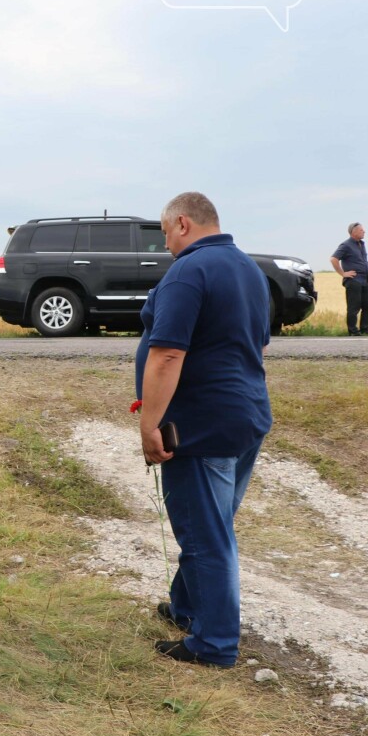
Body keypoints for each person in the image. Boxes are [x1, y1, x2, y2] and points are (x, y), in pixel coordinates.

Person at [137, 192, 271, 669]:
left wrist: (150, 423)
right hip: (246, 416)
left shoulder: (188, 271)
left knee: (206, 536)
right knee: (212, 523)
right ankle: (186, 607)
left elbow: (167, 354)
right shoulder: (247, 269)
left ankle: (213, 644)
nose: (166, 242)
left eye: (165, 232)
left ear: (182, 223)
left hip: (200, 426)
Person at [330, 222, 368, 335]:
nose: (364, 231)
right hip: (353, 280)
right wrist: (343, 273)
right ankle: (353, 331)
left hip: (364, 279)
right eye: (361, 230)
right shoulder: (346, 245)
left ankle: (364, 330)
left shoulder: (361, 244)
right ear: (353, 232)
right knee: (354, 307)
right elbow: (333, 259)